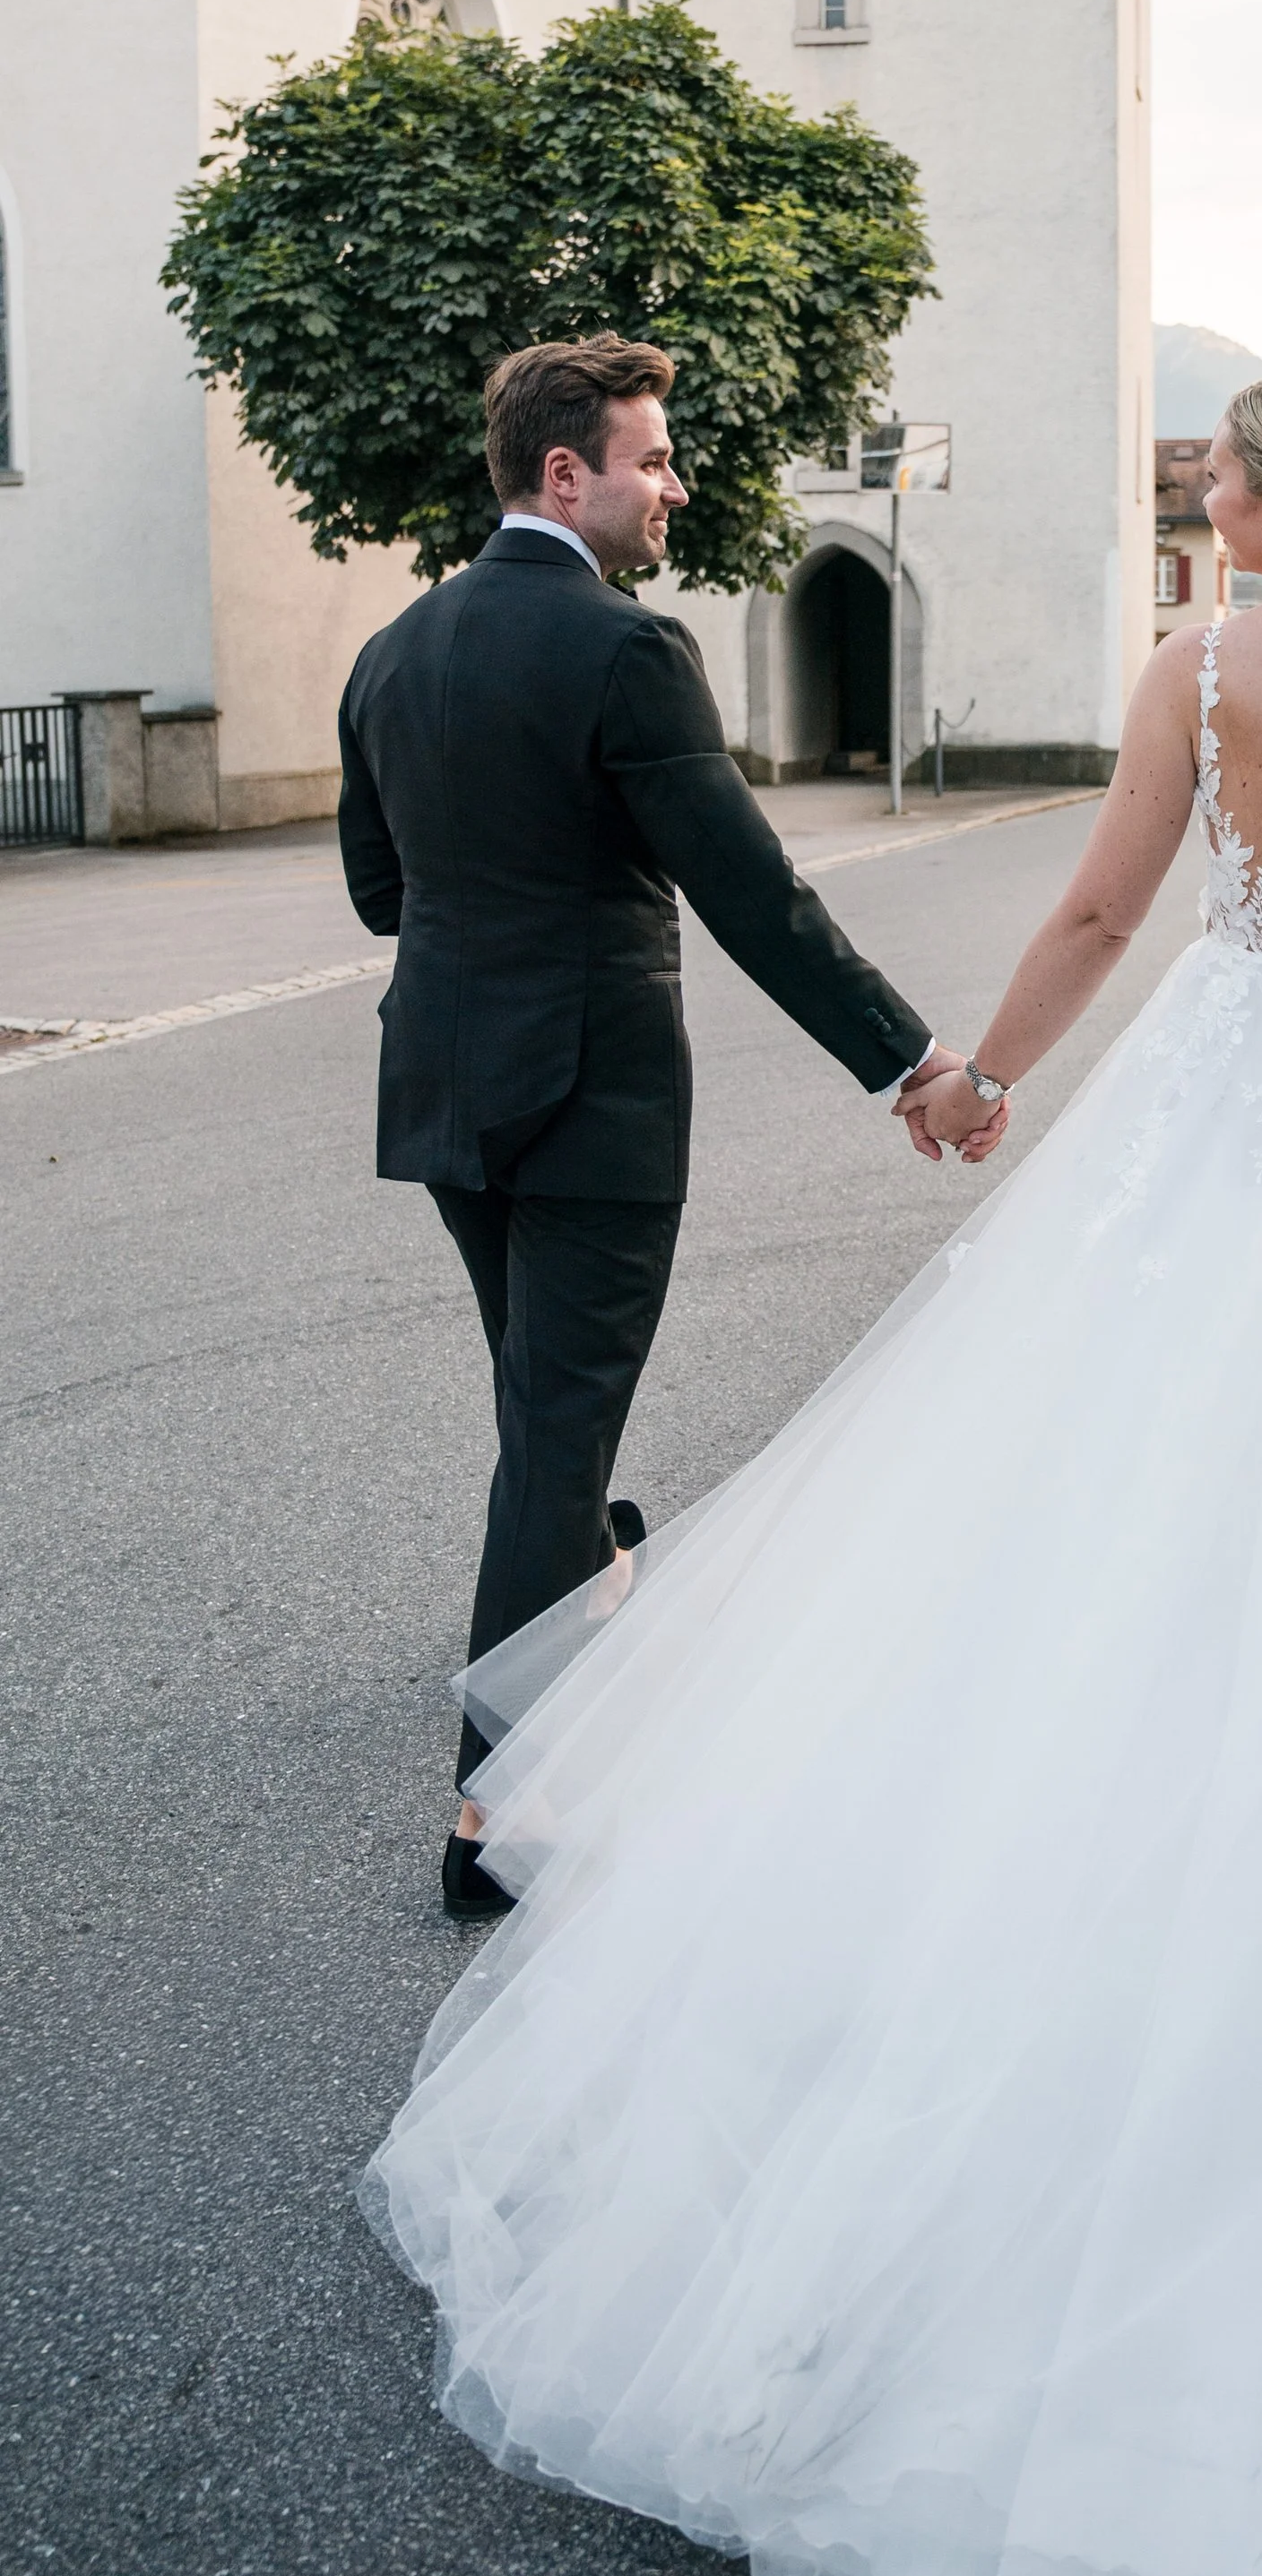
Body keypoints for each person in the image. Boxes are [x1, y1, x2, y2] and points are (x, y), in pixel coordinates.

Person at [362, 368, 1262, 2576]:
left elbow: (1107, 909)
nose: (1201, 506)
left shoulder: (1192, 668)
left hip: (1208, 1112)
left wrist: (981, 1067)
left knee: (1096, 1512)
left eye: (1217, 483)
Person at [337, 334, 978, 1917]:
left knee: (541, 1401)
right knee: (553, 1434)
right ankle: (491, 1814)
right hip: (592, 1097)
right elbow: (750, 893)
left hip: (442, 1079)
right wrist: (910, 1062)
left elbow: (377, 893)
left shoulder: (392, 653)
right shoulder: (626, 651)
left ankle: (590, 1561)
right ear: (571, 475)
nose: (677, 486)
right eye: (656, 459)